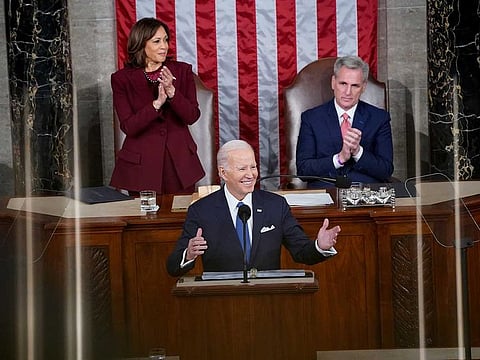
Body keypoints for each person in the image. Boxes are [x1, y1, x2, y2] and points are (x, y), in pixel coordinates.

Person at [166, 140, 341, 277]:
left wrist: (320, 246)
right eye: (242, 168)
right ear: (223, 173)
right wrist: (188, 254)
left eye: (253, 167)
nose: (251, 175)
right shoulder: (201, 210)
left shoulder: (275, 206)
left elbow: (301, 252)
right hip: (222, 304)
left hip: (268, 302)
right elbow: (173, 267)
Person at [110, 17, 205, 195]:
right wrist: (156, 104)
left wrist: (172, 93)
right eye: (157, 41)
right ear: (141, 44)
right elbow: (129, 127)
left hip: (179, 164)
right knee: (144, 222)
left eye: (165, 40)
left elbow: (192, 116)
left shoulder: (182, 71)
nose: (165, 46)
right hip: (141, 167)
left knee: (181, 220)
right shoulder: (121, 79)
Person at [296, 56, 394, 188]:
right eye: (343, 84)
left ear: (363, 87)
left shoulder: (379, 118)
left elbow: (386, 170)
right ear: (333, 82)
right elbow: (303, 170)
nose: (348, 92)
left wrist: (358, 152)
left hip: (365, 194)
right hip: (325, 193)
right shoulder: (311, 118)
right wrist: (339, 159)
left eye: (355, 86)